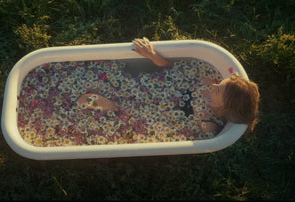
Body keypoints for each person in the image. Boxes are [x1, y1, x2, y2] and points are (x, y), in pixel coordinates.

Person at [78, 37, 260, 134]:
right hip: (149, 85)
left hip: (150, 110)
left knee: (86, 101)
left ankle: (113, 106)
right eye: (220, 82)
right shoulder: (207, 78)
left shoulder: (209, 122)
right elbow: (174, 69)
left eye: (218, 89)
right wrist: (152, 55)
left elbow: (186, 134)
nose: (214, 85)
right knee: (105, 74)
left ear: (223, 107)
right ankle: (103, 89)